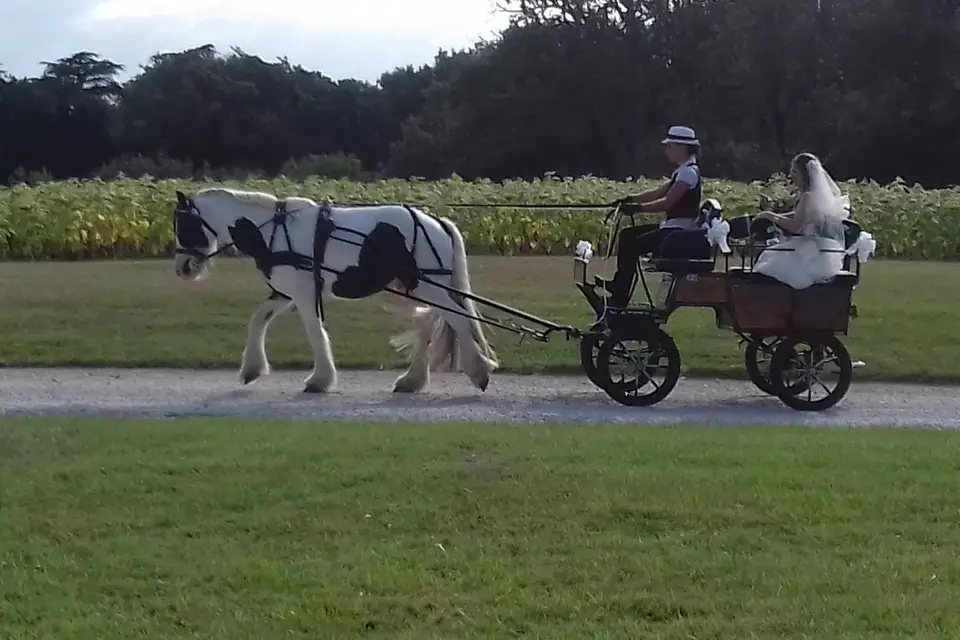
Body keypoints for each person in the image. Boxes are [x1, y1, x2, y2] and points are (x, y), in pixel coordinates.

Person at [602, 125, 703, 308]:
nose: (667, 151)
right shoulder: (683, 171)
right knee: (627, 236)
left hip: (677, 232)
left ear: (682, 148)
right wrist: (630, 199)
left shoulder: (688, 173)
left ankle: (620, 296)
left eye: (670, 146)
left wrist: (637, 208)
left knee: (632, 243)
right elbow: (658, 192)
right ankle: (619, 287)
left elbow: (667, 202)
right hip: (671, 228)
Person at [751, 152, 849, 289]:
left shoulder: (807, 196)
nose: (791, 174)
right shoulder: (813, 196)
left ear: (805, 174)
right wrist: (776, 215)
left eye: (795, 171)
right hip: (819, 247)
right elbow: (800, 215)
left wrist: (770, 216)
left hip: (808, 249)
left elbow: (795, 226)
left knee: (769, 262)